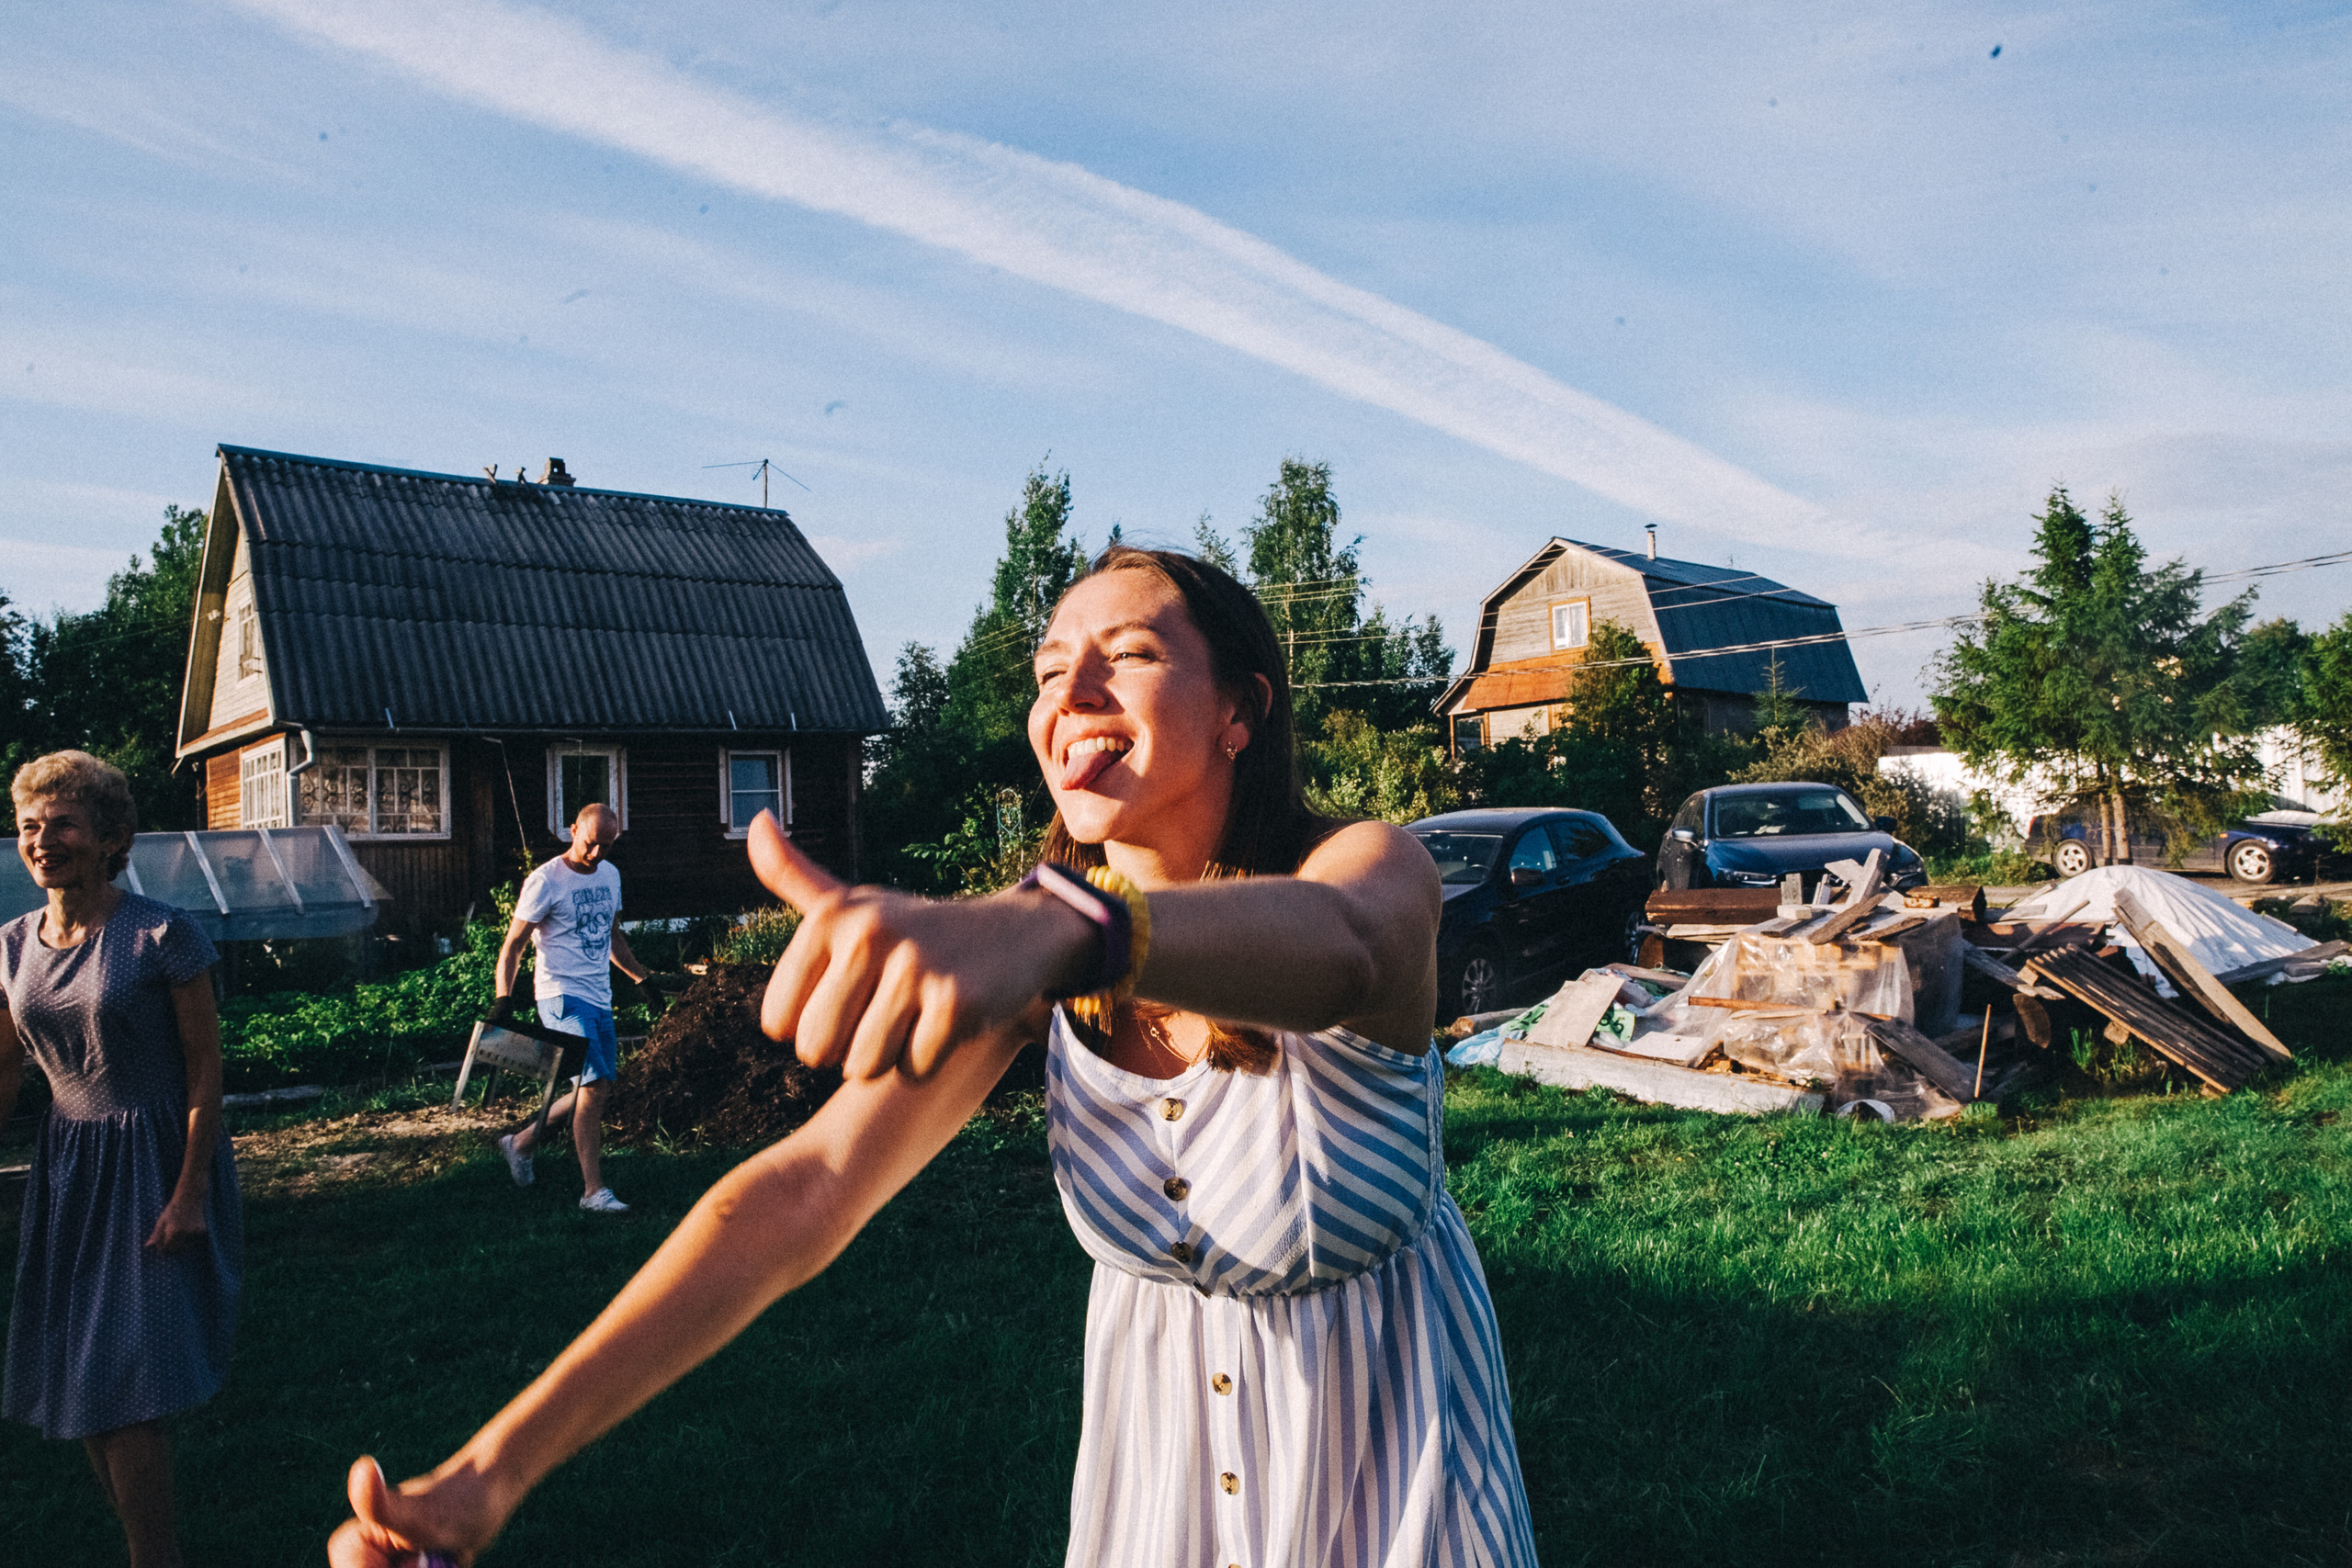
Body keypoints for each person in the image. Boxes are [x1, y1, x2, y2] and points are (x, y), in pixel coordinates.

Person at [329, 547, 1537, 1566]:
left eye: (1133, 652)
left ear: (1241, 710)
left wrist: (1062, 927)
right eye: (1052, 668)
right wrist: (491, 1470)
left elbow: (1350, 947)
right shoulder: (1042, 960)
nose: (1075, 689)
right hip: (1163, 1496)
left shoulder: (1364, 868)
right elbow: (792, 1199)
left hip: (1395, 1485)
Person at [3, 750, 239, 1568]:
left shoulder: (163, 933)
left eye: (62, 823)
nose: (42, 839)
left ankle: (155, 1557)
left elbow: (206, 1068)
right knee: (79, 1370)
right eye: (30, 825)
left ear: (111, 838)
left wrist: (191, 1190)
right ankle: (152, 1552)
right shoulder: (10, 946)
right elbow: (4, 1068)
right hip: (68, 1171)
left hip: (153, 1163)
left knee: (125, 1377)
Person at [491, 802, 654, 1213]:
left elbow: (612, 936)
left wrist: (641, 979)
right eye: (590, 843)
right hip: (560, 995)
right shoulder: (546, 880)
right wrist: (503, 999)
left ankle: (521, 1144)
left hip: (600, 995)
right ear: (572, 830)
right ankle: (593, 1192)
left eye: (607, 846)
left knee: (591, 1091)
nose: (597, 854)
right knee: (594, 1086)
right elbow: (513, 945)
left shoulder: (610, 875)